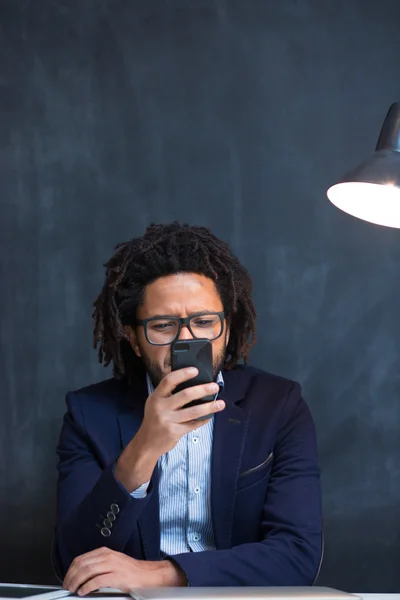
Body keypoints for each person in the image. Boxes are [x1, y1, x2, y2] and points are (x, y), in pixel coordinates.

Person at [54, 222, 322, 594]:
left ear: (226, 329)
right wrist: (143, 448)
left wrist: (162, 574)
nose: (187, 340)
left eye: (203, 322)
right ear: (134, 339)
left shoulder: (278, 406)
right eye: (164, 325)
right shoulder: (87, 414)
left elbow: (297, 556)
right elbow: (75, 561)